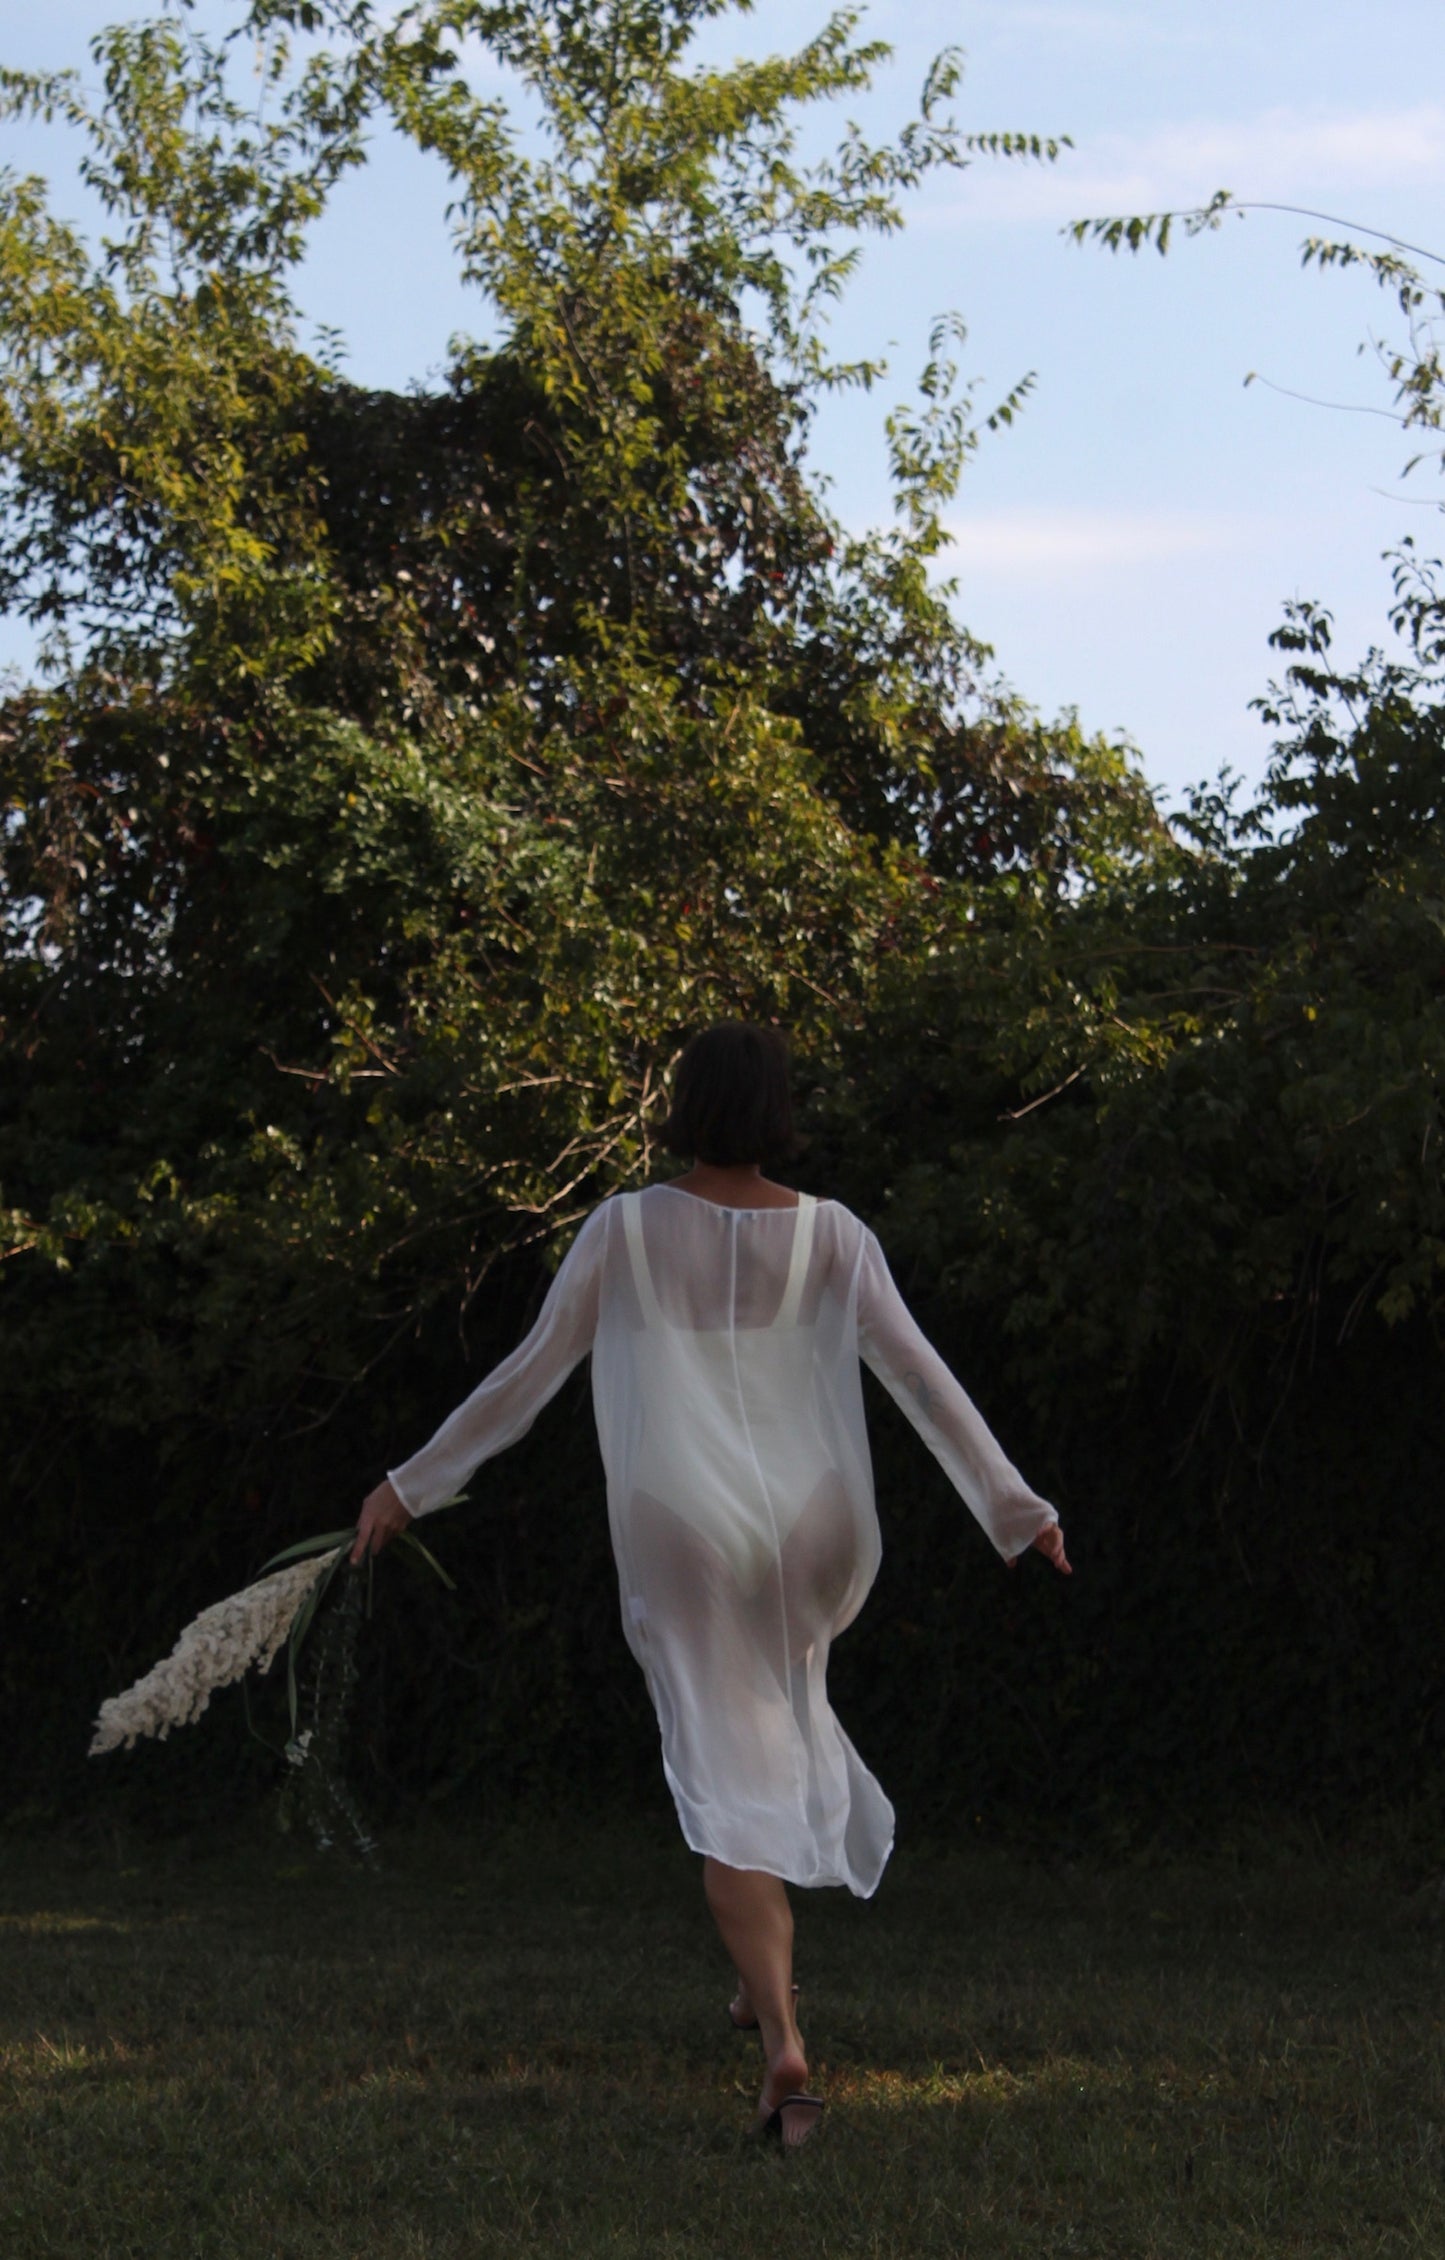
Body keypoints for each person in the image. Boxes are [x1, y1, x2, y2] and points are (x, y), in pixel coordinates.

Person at [352, 1022, 1069, 2148]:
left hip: (682, 1525)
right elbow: (921, 1378)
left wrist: (411, 1484)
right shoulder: (834, 1233)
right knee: (763, 1743)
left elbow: (525, 1377)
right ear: (778, 1109)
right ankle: (753, 1981)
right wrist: (1015, 1508)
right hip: (812, 1523)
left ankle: (783, 2044)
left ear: (684, 1105)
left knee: (722, 1785)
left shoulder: (622, 1228)